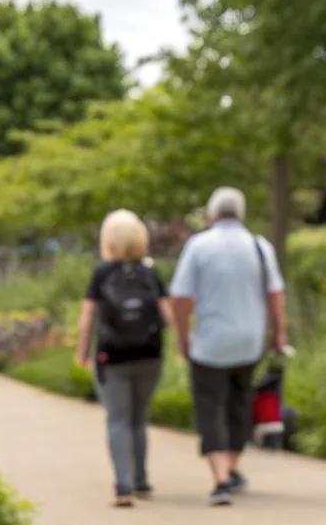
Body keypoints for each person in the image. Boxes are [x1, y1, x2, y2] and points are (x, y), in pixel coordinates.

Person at [170, 186, 288, 506]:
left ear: (212, 213)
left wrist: (183, 335)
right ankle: (233, 467)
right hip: (249, 342)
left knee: (210, 407)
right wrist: (279, 335)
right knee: (239, 403)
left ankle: (220, 478)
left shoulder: (199, 246)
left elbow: (180, 297)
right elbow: (275, 296)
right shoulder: (260, 246)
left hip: (209, 342)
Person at [75, 209, 170, 506]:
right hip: (149, 355)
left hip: (112, 356)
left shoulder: (102, 273)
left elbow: (87, 316)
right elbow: (167, 315)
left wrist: (82, 352)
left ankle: (124, 486)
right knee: (139, 419)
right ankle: (142, 480)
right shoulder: (150, 272)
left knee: (117, 419)